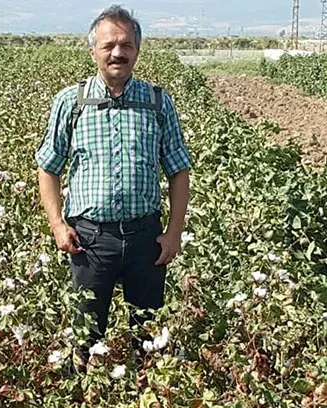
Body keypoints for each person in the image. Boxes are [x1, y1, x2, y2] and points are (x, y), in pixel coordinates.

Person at [34, 4, 192, 373]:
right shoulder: (70, 102)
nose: (117, 53)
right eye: (108, 46)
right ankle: (81, 394)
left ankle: (148, 394)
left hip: (146, 239)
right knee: (85, 335)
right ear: (93, 51)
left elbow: (178, 170)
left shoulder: (157, 102)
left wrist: (173, 233)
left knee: (149, 335)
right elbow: (48, 167)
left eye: (126, 45)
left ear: (137, 50)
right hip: (89, 240)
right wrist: (57, 225)